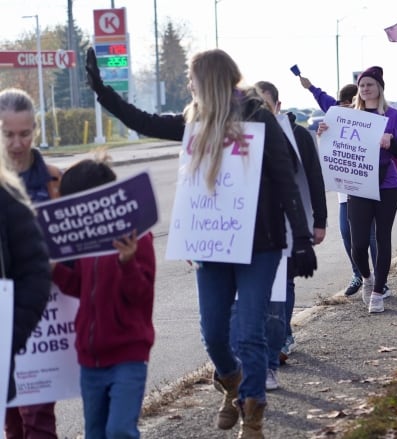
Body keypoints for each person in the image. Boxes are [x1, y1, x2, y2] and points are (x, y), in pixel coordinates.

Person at [85, 47, 317, 437]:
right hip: (214, 244)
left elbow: (284, 175)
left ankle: (253, 414)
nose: (188, 85)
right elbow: (143, 121)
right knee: (213, 333)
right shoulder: (196, 121)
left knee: (249, 331)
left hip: (261, 244)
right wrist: (103, 93)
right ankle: (232, 381)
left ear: (207, 79)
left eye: (192, 79)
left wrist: (303, 240)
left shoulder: (259, 118)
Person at [51, 154, 155, 439]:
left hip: (128, 354)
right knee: (95, 433)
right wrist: (55, 270)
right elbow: (80, 289)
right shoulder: (86, 239)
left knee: (120, 430)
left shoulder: (137, 237)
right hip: (90, 357)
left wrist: (128, 262)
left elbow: (142, 296)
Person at [248, 81, 327, 388]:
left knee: (283, 287)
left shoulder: (298, 137)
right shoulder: (240, 137)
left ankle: (277, 343)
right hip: (254, 230)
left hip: (290, 226)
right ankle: (270, 341)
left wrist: (318, 221)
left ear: (278, 107)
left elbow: (314, 178)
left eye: (266, 107)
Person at [318, 66, 397, 313]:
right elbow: (334, 144)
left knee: (382, 237)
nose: (366, 88)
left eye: (370, 84)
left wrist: (391, 142)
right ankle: (366, 278)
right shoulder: (348, 115)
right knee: (357, 243)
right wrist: (324, 133)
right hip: (359, 184)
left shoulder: (392, 115)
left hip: (387, 184)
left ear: (380, 87)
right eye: (362, 85)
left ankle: (378, 290)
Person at [1, 87, 59, 439]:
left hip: (48, 319)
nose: (17, 143)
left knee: (38, 418)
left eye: (25, 133)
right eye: (8, 134)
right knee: (12, 421)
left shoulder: (54, 180)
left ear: (35, 131)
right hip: (6, 319)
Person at [299, 75, 386, 297]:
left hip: (368, 188)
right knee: (348, 235)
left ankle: (379, 280)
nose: (345, 108)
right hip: (345, 192)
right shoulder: (335, 118)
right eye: (341, 104)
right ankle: (358, 274)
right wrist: (323, 133)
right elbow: (322, 98)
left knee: (373, 236)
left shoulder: (370, 118)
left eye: (349, 103)